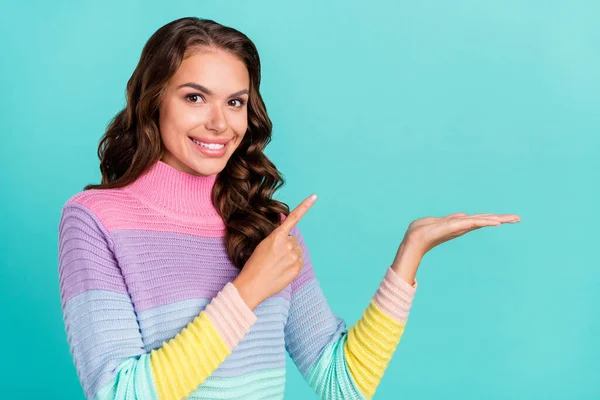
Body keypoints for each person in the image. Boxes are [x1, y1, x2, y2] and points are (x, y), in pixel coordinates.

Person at [57, 17, 520, 400]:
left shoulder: (269, 228)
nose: (219, 123)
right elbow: (119, 394)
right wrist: (247, 290)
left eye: (235, 102)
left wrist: (410, 254)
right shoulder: (96, 219)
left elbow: (343, 384)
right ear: (154, 100)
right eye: (194, 97)